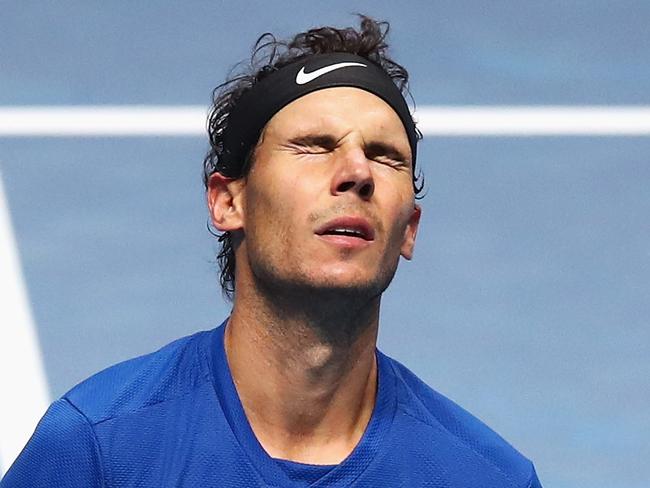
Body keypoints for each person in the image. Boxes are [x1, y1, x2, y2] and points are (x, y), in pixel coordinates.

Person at [1, 16, 543, 487]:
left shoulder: (484, 477)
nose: (357, 173)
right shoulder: (95, 449)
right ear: (227, 202)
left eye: (385, 156)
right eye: (313, 147)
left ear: (409, 229)